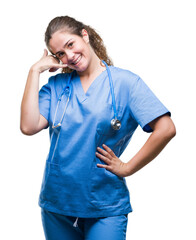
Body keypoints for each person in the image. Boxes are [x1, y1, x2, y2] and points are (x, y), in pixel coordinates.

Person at [20, 15, 176, 240]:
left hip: (105, 205)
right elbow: (28, 125)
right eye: (60, 54)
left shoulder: (125, 83)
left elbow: (166, 128)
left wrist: (128, 167)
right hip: (57, 203)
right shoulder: (56, 86)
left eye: (70, 45)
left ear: (85, 35)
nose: (69, 56)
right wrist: (34, 71)